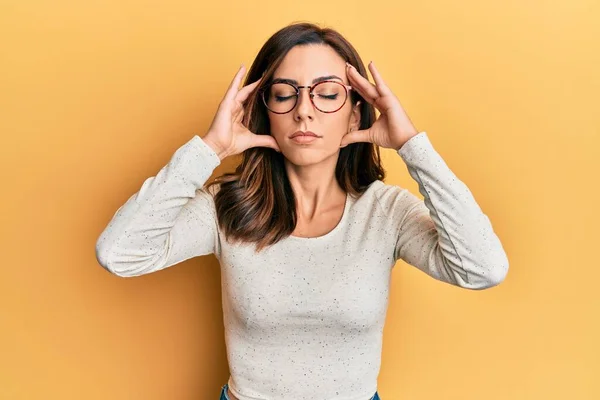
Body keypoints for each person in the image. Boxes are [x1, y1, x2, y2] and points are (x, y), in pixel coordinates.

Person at [95, 22, 509, 400]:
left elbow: (482, 268)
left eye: (327, 93)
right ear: (264, 111)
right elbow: (119, 254)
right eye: (284, 93)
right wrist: (210, 148)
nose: (304, 110)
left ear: (356, 112)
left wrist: (411, 145)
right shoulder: (226, 207)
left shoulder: (387, 212)